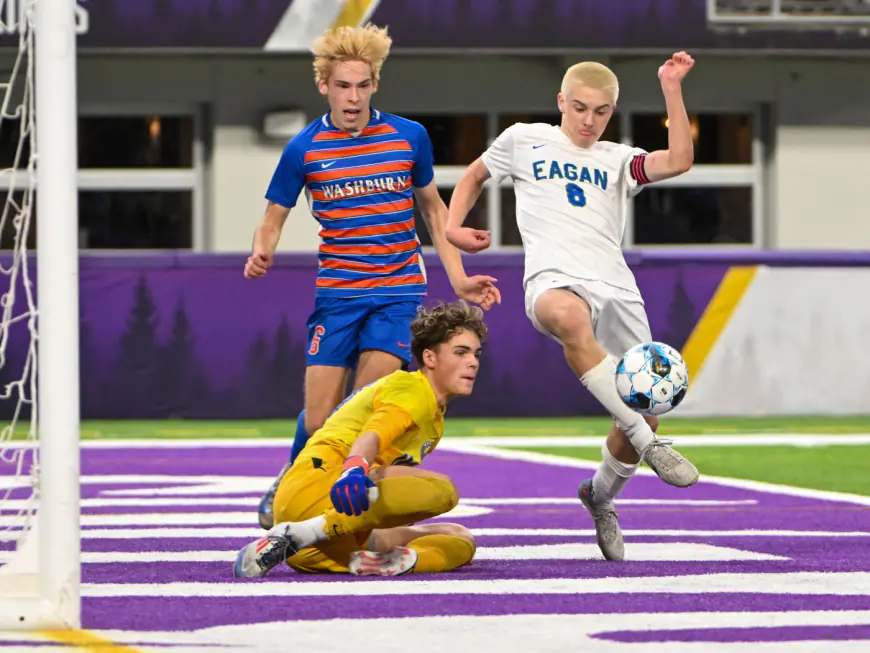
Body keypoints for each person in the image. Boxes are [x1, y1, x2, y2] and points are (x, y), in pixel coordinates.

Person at [444, 53, 701, 562]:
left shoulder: (618, 159)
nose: (588, 120)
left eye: (601, 111)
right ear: (561, 101)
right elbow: (472, 176)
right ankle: (649, 449)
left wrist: (671, 88)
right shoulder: (523, 139)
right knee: (569, 318)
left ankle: (600, 497)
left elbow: (679, 160)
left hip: (617, 286)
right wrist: (453, 227)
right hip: (553, 279)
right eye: (579, 107)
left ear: (612, 112)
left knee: (649, 411)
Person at [244, 24, 500, 530]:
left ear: (375, 84)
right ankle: (295, 476)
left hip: (398, 291)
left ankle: (345, 512)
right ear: (325, 86)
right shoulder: (303, 148)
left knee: (364, 407)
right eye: (343, 86)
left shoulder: (410, 136)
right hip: (337, 294)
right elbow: (273, 215)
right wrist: (262, 250)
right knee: (319, 421)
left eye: (363, 85)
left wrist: (460, 277)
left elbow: (433, 211)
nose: (353, 96)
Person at [233, 301, 486, 578]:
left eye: (476, 353)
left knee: (460, 538)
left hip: (319, 547)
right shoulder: (413, 388)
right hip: (322, 488)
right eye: (460, 352)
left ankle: (389, 561)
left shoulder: (434, 419)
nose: (472, 362)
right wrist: (354, 468)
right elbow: (372, 435)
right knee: (443, 492)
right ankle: (308, 530)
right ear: (430, 358)